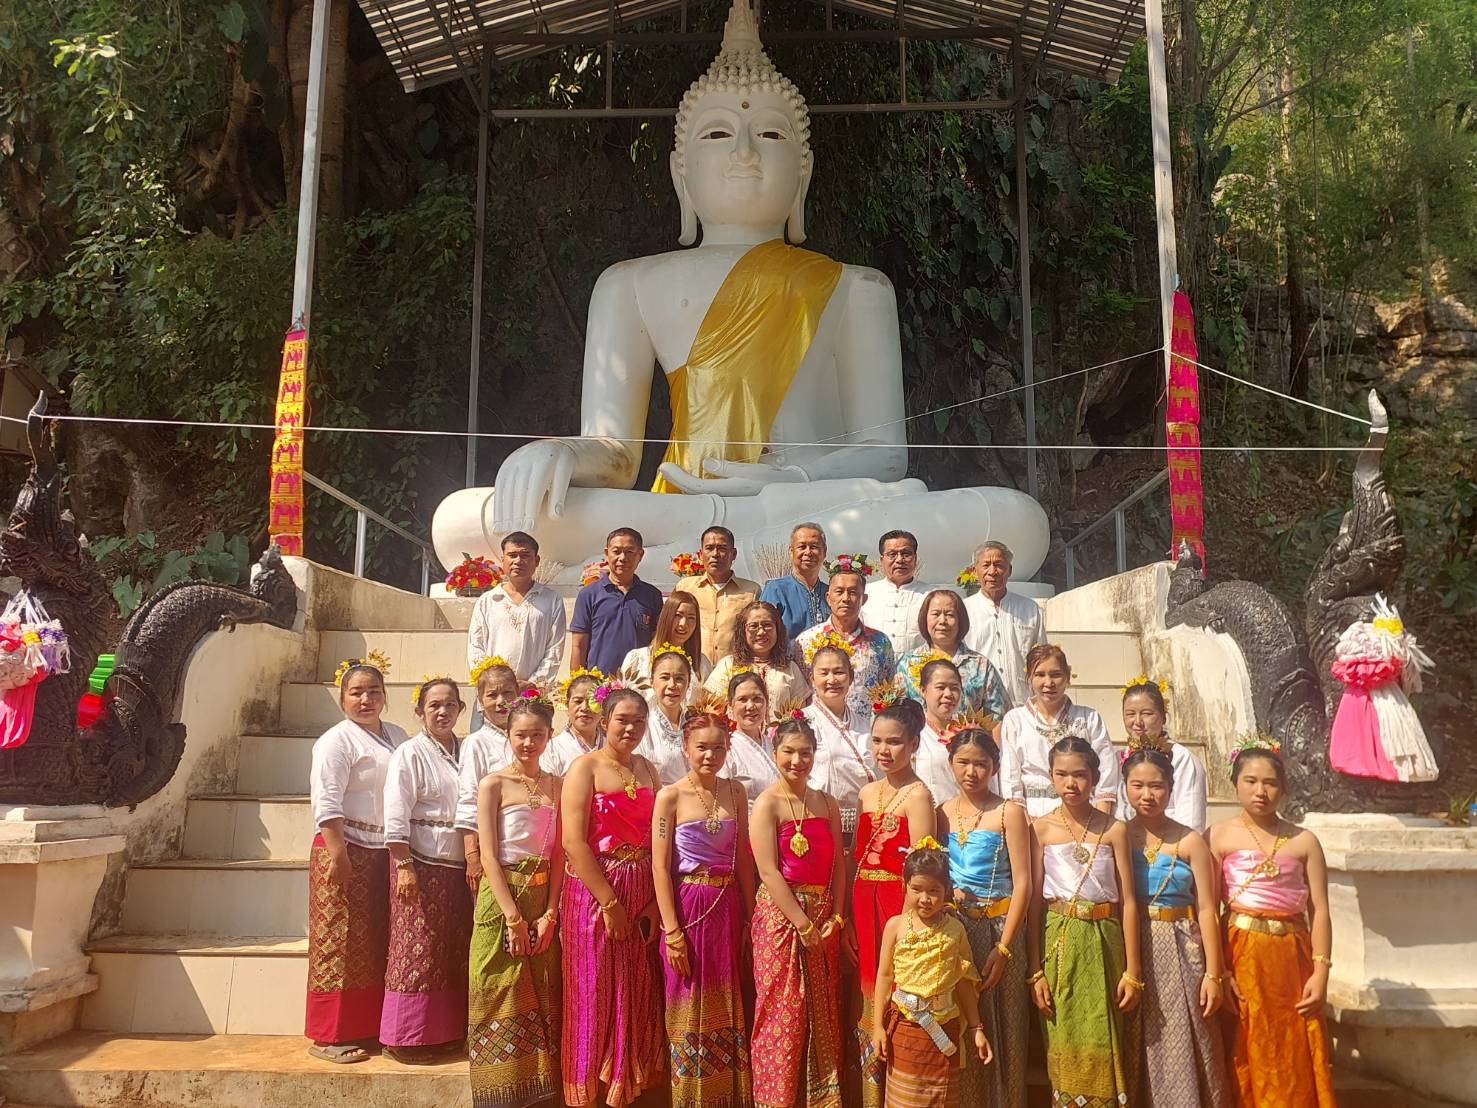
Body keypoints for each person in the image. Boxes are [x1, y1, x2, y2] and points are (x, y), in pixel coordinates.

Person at [1209, 744, 1336, 1107]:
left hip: (1292, 959)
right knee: (1246, 1043)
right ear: (1235, 783)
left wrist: (1321, 971)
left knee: (1292, 1042)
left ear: (1284, 788)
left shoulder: (1304, 841)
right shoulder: (1218, 836)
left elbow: (1321, 910)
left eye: (1270, 783)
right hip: (1242, 954)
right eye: (1250, 781)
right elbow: (1208, 907)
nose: (1260, 791)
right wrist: (1220, 971)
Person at [558, 687, 664, 1106]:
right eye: (622, 719)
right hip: (595, 891)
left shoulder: (649, 770)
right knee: (594, 989)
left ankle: (625, 1085)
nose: (631, 728)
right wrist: (610, 903)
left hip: (641, 887)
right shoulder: (584, 768)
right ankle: (586, 1091)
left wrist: (654, 900)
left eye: (639, 720)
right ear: (604, 722)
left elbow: (659, 841)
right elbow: (573, 842)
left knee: (633, 987)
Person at [1027, 736, 1142, 1108]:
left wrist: (1133, 970)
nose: (1070, 784)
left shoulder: (1114, 829)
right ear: (1050, 776)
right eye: (1061, 775)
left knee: (1106, 1031)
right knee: (1063, 1035)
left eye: (1079, 775)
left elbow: (1127, 902)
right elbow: (1033, 904)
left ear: (1094, 777)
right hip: (1059, 941)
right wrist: (1034, 971)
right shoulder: (1041, 829)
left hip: (1106, 942)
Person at [305, 659, 409, 1063]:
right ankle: (328, 1035)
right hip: (343, 846)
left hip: (383, 849)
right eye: (357, 692)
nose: (366, 699)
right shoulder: (336, 741)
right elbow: (326, 801)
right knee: (339, 941)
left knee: (373, 941)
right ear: (342, 697)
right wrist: (338, 854)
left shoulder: (397, 736)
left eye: (374, 692)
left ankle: (365, 1027)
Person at [652, 713, 755, 1106]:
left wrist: (748, 915)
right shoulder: (671, 796)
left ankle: (725, 1094)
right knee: (686, 994)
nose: (710, 754)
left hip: (726, 905)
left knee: (726, 998)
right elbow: (660, 866)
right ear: (685, 748)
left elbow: (742, 858)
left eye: (718, 747)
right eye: (701, 747)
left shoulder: (735, 792)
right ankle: (689, 1097)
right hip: (687, 905)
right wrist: (671, 930)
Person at [468, 700, 564, 1108]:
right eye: (520, 735)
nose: (528, 742)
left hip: (543, 894)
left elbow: (560, 853)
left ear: (549, 736)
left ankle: (540, 1093)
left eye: (537, 735)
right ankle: (499, 1094)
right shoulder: (493, 784)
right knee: (497, 987)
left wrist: (550, 913)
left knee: (543, 991)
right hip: (501, 896)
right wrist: (512, 918)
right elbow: (488, 855)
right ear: (508, 736)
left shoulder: (558, 784)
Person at [1122, 749, 1230, 1108]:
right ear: (1124, 787)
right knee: (1137, 1037)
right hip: (1132, 943)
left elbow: (1206, 908)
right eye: (1137, 785)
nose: (1147, 795)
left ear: (1171, 788)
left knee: (1183, 1034)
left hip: (1181, 945)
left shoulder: (1189, 840)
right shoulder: (1119, 836)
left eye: (1156, 786)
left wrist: (1214, 974)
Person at [750, 718, 848, 1108]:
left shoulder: (826, 802)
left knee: (822, 1011)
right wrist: (802, 923)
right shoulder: (767, 803)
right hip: (781, 918)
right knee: (782, 1013)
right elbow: (768, 870)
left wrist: (836, 916)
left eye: (805, 752)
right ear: (775, 755)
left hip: (822, 916)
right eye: (788, 752)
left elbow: (839, 865)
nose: (797, 760)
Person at [381, 678, 474, 1063]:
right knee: (415, 949)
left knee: (448, 949)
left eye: (450, 704)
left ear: (461, 710)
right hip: (418, 861)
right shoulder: (410, 753)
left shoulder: (464, 750)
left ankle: (445, 1032)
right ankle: (406, 1036)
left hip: (455, 865)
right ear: (419, 711)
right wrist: (404, 864)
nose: (442, 712)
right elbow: (396, 811)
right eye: (434, 705)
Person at [939, 729, 1031, 1107]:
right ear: (951, 764)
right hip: (957, 931)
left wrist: (1005, 947)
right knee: (963, 1026)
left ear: (994, 766)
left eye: (981, 763)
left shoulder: (1009, 811)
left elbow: (1024, 883)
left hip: (999, 928)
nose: (972, 771)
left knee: (1006, 1030)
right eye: (963, 762)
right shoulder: (941, 812)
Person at [852, 703, 935, 1108]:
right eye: (878, 740)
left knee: (895, 988)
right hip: (862, 903)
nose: (884, 750)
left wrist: (906, 925)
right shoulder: (868, 791)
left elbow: (920, 869)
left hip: (895, 907)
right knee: (865, 995)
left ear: (914, 744)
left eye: (895, 742)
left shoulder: (918, 795)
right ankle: (869, 1094)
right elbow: (856, 859)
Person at [870, 839, 990, 1107]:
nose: (925, 898)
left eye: (934, 890)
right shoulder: (895, 927)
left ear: (946, 890)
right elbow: (885, 976)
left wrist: (976, 1028)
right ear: (905, 887)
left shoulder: (955, 931)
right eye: (917, 889)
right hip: (904, 1032)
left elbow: (962, 982)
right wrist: (877, 1026)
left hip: (943, 1033)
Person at [1000, 644, 1119, 817]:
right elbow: (1010, 781)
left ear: (1068, 677)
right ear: (1029, 678)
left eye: (1056, 674)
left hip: (1084, 814)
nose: (1048, 683)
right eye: (1040, 675)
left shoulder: (1089, 718)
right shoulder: (1015, 720)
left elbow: (1106, 774)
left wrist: (1099, 824)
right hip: (1032, 815)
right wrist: (1025, 827)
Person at [465, 531, 567, 688]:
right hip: (493, 691)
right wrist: (493, 681)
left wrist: (533, 683)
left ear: (536, 560)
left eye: (525, 555)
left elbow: (555, 648)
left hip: (531, 694)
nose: (518, 561)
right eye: (512, 555)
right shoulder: (488, 601)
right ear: (502, 560)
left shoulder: (552, 600)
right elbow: (475, 647)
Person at [795, 567, 895, 719]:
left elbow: (887, 692)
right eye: (839, 591)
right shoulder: (806, 642)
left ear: (864, 599)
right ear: (828, 598)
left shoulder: (880, 643)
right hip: (820, 730)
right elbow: (800, 693)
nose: (846, 598)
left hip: (865, 732)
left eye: (853, 592)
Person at [459, 659, 522, 896]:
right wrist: (473, 856)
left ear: (518, 695)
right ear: (480, 702)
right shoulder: (476, 743)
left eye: (507, 693)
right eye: (492, 695)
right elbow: (467, 799)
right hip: (490, 851)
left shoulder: (527, 737)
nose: (500, 702)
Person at [802, 642, 875, 847]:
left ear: (851, 678)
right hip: (816, 821)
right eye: (824, 673)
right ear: (812, 679)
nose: (832, 680)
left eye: (839, 672)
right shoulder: (802, 722)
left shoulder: (866, 725)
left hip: (862, 824)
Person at [1114, 677, 1209, 831]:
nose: (1137, 721)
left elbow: (1191, 823)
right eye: (1130, 714)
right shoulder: (1117, 759)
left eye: (1146, 713)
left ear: (1163, 717)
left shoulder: (1182, 759)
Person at [896, 590, 1007, 721]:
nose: (942, 621)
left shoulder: (980, 665)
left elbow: (997, 716)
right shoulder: (907, 663)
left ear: (961, 620)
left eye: (950, 615)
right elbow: (897, 714)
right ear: (924, 619)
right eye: (935, 614)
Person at [569, 527, 665, 676]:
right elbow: (578, 646)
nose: (622, 558)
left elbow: (656, 641)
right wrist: (577, 683)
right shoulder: (589, 594)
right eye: (616, 551)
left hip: (638, 683)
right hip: (598, 685)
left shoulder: (652, 595)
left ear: (640, 555)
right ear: (607, 554)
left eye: (629, 552)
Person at [962, 541, 1046, 710]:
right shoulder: (963, 610)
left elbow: (1042, 657)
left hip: (1022, 704)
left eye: (999, 565)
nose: (992, 572)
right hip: (978, 707)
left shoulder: (1029, 608)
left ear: (1009, 570)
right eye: (986, 565)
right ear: (975, 571)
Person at [674, 525, 761, 666]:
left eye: (722, 549)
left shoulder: (751, 591)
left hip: (733, 672)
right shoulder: (685, 587)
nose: (715, 554)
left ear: (733, 554)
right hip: (692, 669)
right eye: (709, 548)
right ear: (700, 555)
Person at [705, 599, 809, 708]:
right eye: (753, 626)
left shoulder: (790, 668)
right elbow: (712, 712)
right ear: (743, 631)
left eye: (767, 625)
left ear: (777, 629)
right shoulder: (727, 665)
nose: (761, 632)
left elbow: (800, 715)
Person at [619, 591, 713, 693]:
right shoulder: (639, 659)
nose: (683, 624)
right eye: (678, 615)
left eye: (691, 618)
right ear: (666, 617)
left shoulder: (701, 664)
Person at [859, 530, 932, 656]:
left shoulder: (932, 595)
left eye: (906, 554)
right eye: (892, 554)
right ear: (881, 560)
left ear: (915, 559)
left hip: (917, 671)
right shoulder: (865, 592)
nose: (899, 560)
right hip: (874, 669)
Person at [759, 523, 831, 642]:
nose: (808, 552)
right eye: (802, 547)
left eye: (814, 547)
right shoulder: (776, 590)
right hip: (786, 660)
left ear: (824, 552)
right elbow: (762, 634)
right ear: (791, 551)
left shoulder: (831, 592)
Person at [637, 645, 696, 785]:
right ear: (652, 681)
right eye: (665, 677)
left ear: (688, 684)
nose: (672, 685)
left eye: (679, 679)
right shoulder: (643, 726)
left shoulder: (696, 725)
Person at [724, 670, 782, 804]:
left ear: (766, 703)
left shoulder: (773, 743)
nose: (750, 706)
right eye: (742, 700)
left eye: (757, 699)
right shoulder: (727, 748)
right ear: (731, 705)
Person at [914, 658, 967, 805]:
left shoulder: (969, 732)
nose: (948, 694)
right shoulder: (913, 733)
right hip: (926, 817)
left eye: (955, 687)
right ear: (923, 690)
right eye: (941, 687)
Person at [544, 668, 604, 775]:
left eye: (592, 701)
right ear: (567, 706)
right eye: (578, 701)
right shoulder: (552, 748)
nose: (585, 708)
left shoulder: (612, 745)